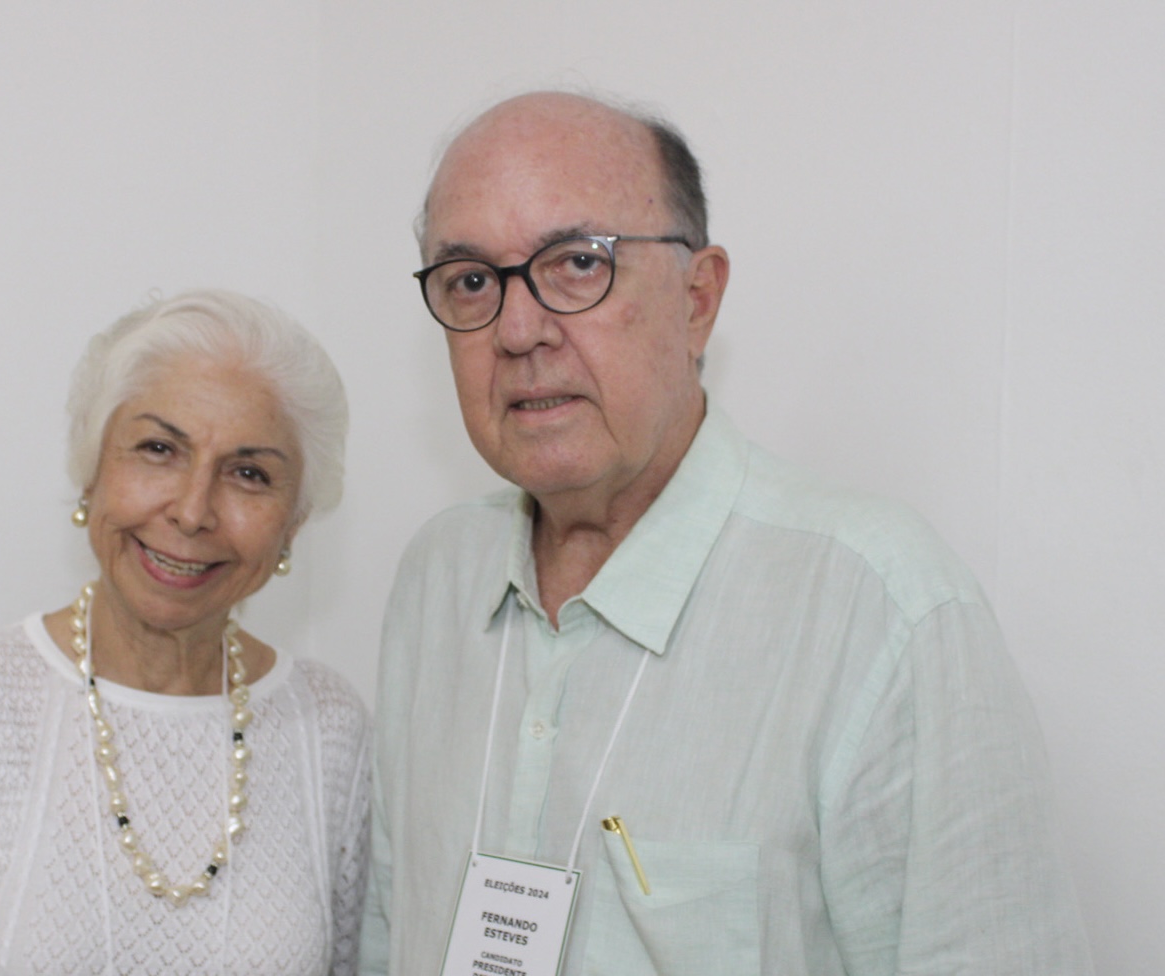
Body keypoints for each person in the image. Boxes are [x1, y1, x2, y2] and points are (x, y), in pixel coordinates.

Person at [360, 92, 1093, 975]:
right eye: (471, 280)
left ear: (697, 299)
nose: (519, 331)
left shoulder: (881, 612)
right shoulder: (437, 580)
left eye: (578, 264)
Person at [0, 289, 369, 975]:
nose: (192, 511)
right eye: (159, 449)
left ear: (293, 523)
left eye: (249, 473)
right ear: (91, 470)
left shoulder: (329, 731)